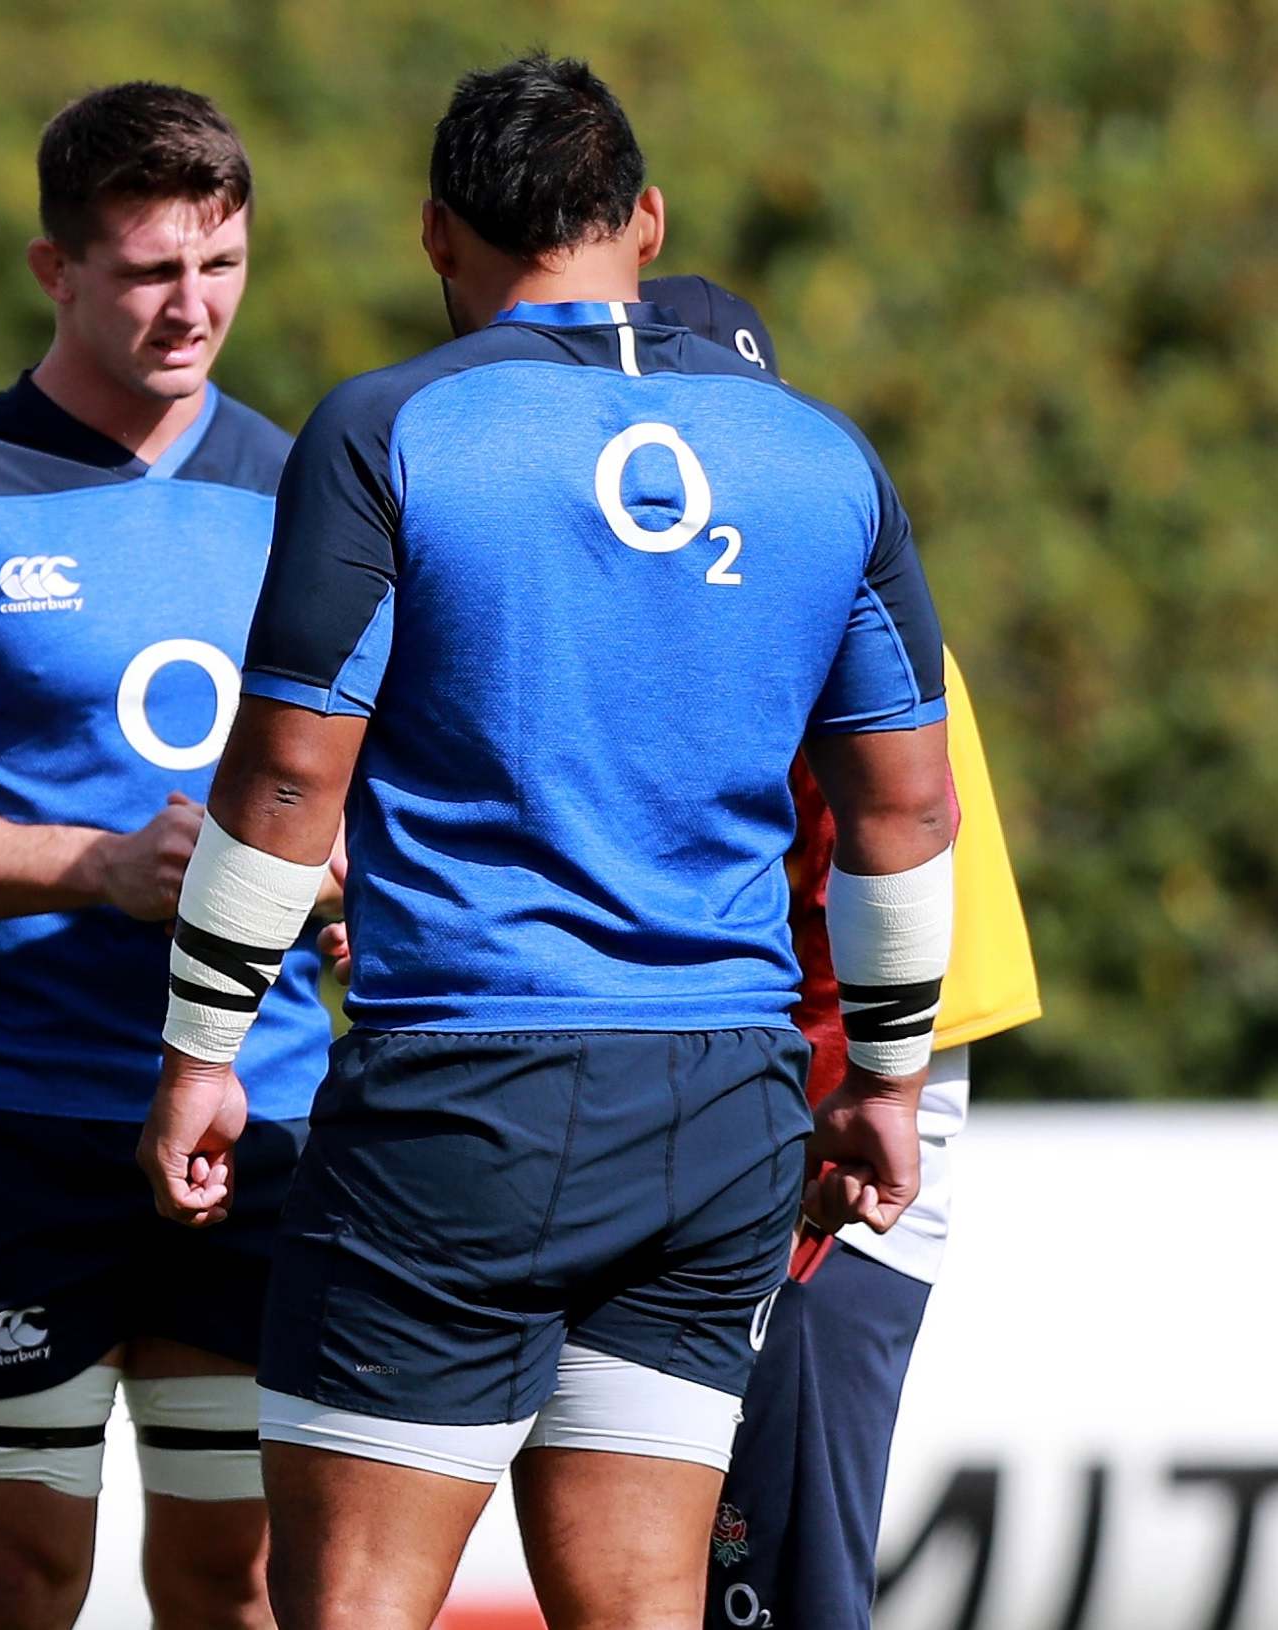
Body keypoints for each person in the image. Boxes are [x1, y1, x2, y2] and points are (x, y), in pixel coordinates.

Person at [138, 54, 956, 1630]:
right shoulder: (818, 453)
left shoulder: (388, 428)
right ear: (644, 221)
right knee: (638, 1603)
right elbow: (902, 810)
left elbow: (290, 779)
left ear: (436, 235)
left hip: (464, 1091)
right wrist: (890, 1083)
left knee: (354, 1600)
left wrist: (198, 1045)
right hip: (723, 1099)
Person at [0, 83, 336, 1630]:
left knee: (233, 1582)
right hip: (21, 1126)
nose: (192, 308)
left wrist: (339, 879)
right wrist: (95, 867)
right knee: (12, 1577)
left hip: (270, 1120)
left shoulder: (315, 487)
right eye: (147, 271)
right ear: (56, 272)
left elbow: (384, 785)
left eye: (221, 264)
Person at [638, 275, 1042, 1630]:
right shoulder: (806, 574)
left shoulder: (804, 601)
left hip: (833, 1144)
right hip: (805, 1118)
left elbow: (871, 943)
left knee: (777, 1588)